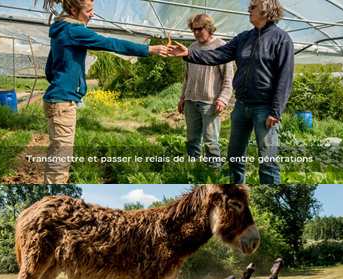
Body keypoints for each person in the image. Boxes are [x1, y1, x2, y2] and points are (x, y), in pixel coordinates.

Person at [40, 0, 169, 184]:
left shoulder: (59, 31)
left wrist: (63, 83)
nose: (92, 14)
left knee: (58, 151)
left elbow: (49, 70)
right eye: (89, 11)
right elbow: (109, 43)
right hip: (63, 102)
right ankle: (53, 200)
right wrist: (148, 49)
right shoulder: (74, 30)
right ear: (74, 10)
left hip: (56, 98)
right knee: (61, 157)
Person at [168, 0, 293, 184]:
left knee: (267, 160)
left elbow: (285, 77)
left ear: (267, 10)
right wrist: (189, 54)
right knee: (234, 156)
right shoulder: (244, 38)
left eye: (253, 7)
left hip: (264, 108)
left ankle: (272, 196)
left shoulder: (281, 39)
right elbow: (218, 54)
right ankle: (236, 192)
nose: (248, 10)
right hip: (242, 107)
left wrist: (276, 110)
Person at [177, 13, 233, 168]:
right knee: (191, 139)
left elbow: (228, 78)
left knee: (210, 140)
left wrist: (223, 99)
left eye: (199, 29)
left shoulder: (221, 46)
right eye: (193, 30)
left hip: (210, 102)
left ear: (208, 27)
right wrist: (183, 97)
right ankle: (195, 168)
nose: (196, 33)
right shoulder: (192, 48)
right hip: (191, 101)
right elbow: (187, 77)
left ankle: (214, 171)